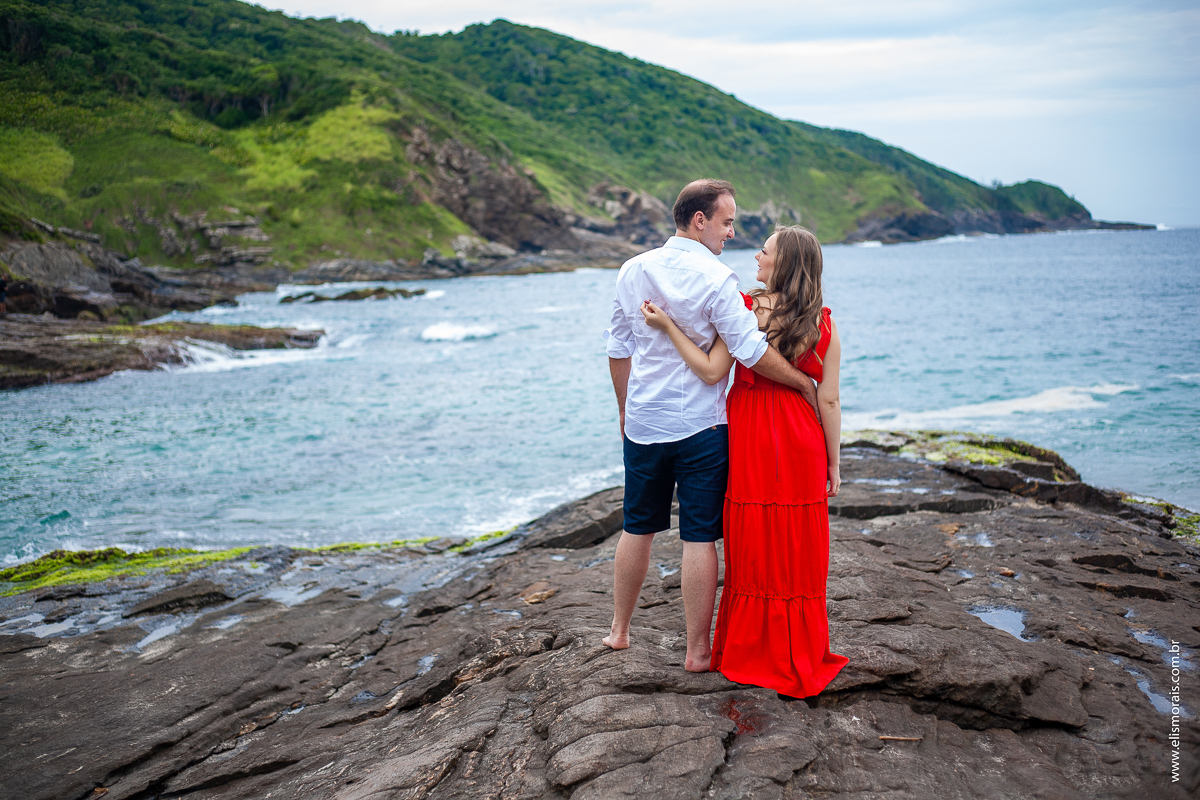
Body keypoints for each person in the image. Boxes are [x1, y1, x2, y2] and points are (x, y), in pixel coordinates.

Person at [603, 179, 819, 673]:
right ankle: (698, 652)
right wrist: (802, 383)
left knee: (637, 526)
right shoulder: (718, 279)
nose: (731, 233)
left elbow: (617, 347)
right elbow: (749, 350)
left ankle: (619, 632)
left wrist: (622, 409)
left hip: (644, 423)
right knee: (699, 537)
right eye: (726, 222)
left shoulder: (633, 270)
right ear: (699, 220)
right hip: (701, 427)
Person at [640, 225, 849, 698]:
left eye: (766, 251)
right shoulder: (825, 326)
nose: (757, 255)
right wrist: (834, 463)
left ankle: (748, 649)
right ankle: (797, 650)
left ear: (784, 263)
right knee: (797, 547)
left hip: (751, 434)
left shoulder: (745, 308)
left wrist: (668, 325)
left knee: (752, 540)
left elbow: (712, 370)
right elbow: (829, 401)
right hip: (801, 436)